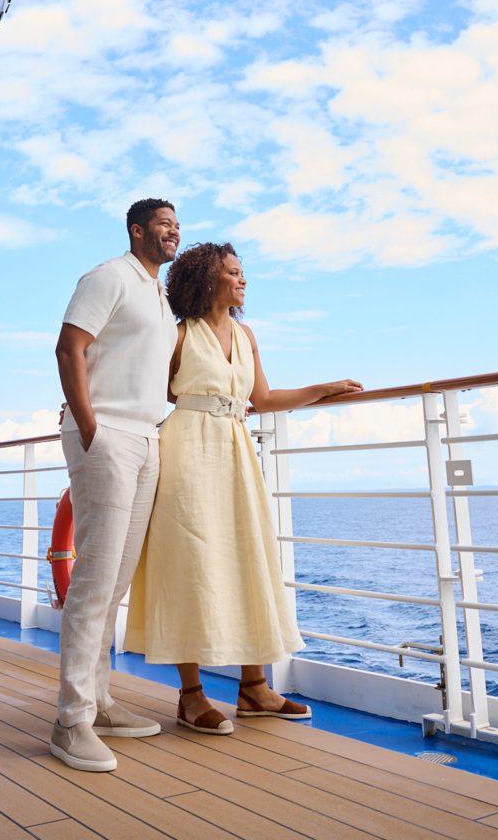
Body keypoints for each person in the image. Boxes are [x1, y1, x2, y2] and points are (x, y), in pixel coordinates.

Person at [124, 242, 364, 733]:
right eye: (233, 272)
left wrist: (326, 388)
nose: (242, 279)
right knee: (190, 562)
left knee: (247, 556)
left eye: (242, 272)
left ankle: (254, 688)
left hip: (235, 452)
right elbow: (152, 393)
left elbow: (265, 398)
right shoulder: (177, 337)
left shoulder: (246, 333)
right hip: (187, 450)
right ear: (207, 280)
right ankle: (190, 695)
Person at [50, 198, 180, 772]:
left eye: (177, 224)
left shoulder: (160, 295)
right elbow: (68, 346)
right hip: (107, 436)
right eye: (163, 223)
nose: (173, 231)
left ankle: (100, 702)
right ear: (137, 230)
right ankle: (70, 719)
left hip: (147, 437)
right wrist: (89, 425)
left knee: (116, 580)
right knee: (95, 579)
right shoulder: (108, 276)